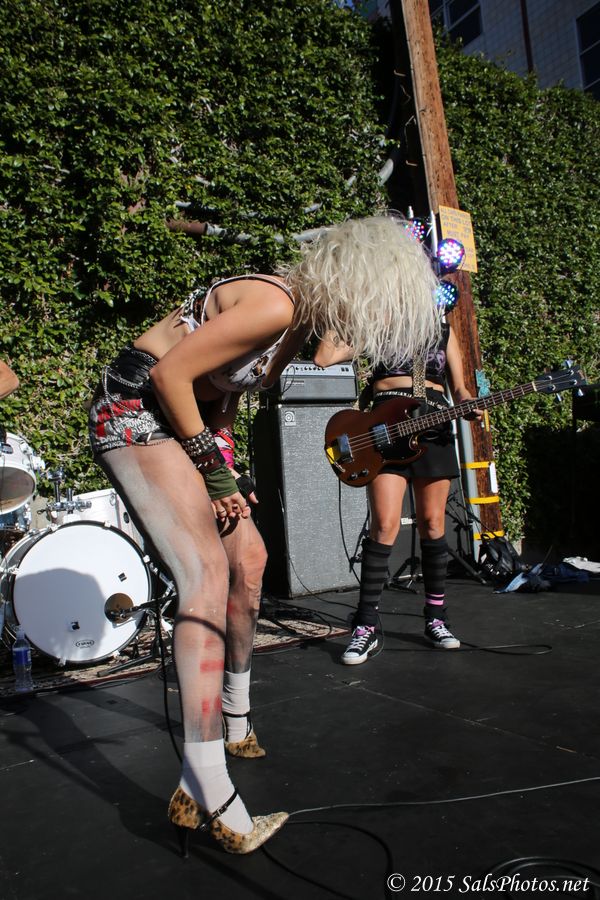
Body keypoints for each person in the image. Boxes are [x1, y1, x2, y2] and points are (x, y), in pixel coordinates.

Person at [87, 214, 442, 855]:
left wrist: (225, 467)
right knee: (203, 577)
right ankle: (205, 784)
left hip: (186, 424)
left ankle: (235, 718)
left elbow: (221, 395)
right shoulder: (275, 303)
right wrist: (211, 471)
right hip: (135, 409)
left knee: (249, 560)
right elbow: (169, 377)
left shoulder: (295, 326)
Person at [314, 241, 482, 666]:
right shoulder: (378, 324)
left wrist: (470, 403)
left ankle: (436, 618)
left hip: (434, 424)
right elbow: (323, 357)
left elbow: (460, 387)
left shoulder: (442, 329)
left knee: (432, 523)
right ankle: (366, 625)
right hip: (383, 429)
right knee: (385, 524)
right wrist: (348, 304)